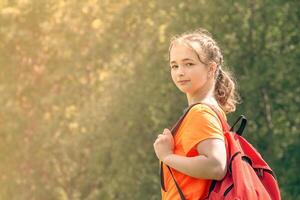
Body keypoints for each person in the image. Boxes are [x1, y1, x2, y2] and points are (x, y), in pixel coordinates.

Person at [153, 28, 241, 200]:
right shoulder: (213, 111)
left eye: (189, 64)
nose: (180, 72)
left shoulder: (200, 113)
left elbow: (216, 165)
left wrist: (167, 156)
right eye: (174, 65)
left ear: (211, 69)